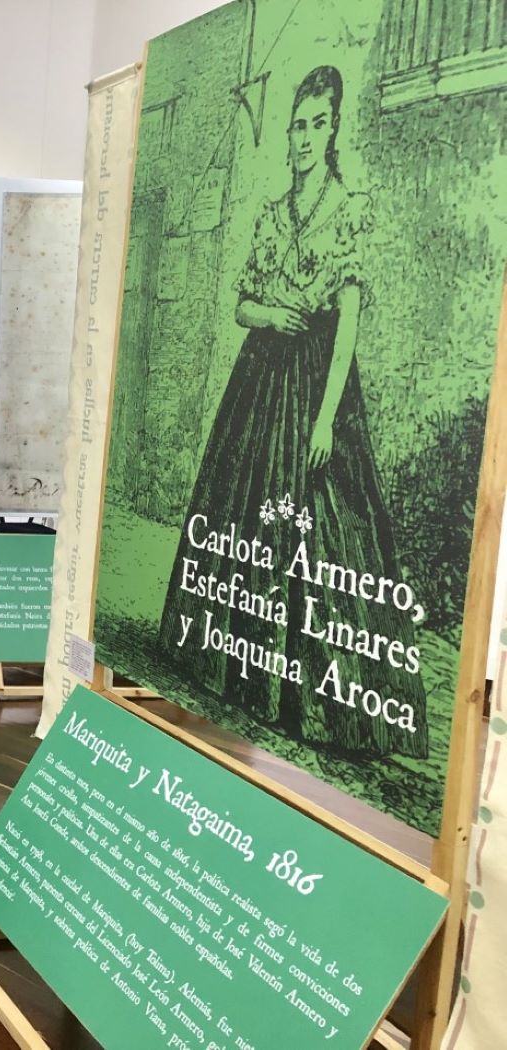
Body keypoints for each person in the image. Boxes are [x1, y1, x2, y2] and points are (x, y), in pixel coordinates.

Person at [155, 66, 425, 758]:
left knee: (323, 532)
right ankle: (233, 672)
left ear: (334, 126)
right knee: (241, 518)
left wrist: (327, 418)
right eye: (295, 126)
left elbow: (350, 326)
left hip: (317, 383)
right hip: (261, 377)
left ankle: (321, 704)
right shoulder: (272, 212)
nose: (304, 138)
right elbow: (242, 303)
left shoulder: (351, 210)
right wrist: (269, 311)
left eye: (316, 123)